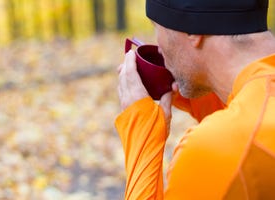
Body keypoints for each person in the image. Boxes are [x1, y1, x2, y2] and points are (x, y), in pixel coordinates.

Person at [115, 0, 275, 199]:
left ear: (192, 31)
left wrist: (142, 134)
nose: (159, 50)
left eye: (157, 27)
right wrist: (206, 89)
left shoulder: (213, 150)